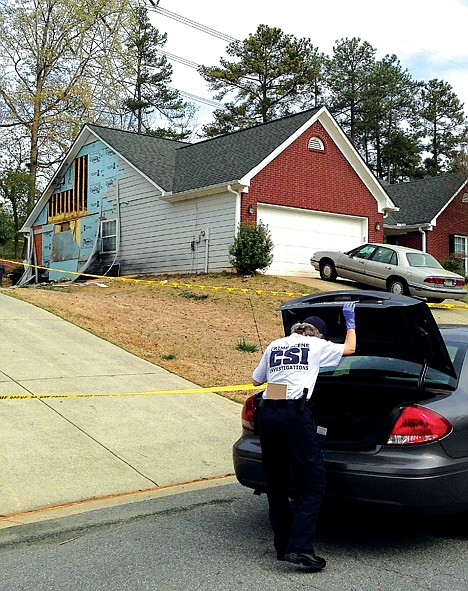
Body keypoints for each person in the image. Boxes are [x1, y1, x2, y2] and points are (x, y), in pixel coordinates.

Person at [252, 302, 356, 571]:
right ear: (317, 334)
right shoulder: (316, 345)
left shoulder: (275, 344)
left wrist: (288, 376)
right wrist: (351, 322)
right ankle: (300, 549)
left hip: (267, 414)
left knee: (276, 483)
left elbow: (256, 381)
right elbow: (350, 349)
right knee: (313, 484)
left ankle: (283, 547)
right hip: (293, 416)